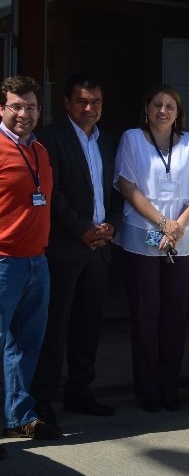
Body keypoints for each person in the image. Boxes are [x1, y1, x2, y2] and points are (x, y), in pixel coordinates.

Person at [30, 75, 122, 424]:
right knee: (54, 326)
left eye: (95, 102)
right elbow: (51, 194)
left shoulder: (108, 141)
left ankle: (79, 391)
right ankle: (42, 399)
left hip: (100, 248)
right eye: (82, 101)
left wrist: (112, 225)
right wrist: (82, 228)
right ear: (67, 103)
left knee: (89, 324)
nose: (89, 108)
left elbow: (116, 190)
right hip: (65, 247)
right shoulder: (50, 139)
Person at [114, 84, 189, 412]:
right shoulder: (132, 139)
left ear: (178, 112)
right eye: (157, 104)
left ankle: (170, 388)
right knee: (145, 315)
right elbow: (127, 185)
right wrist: (162, 224)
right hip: (143, 235)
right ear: (146, 108)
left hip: (181, 240)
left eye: (170, 106)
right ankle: (147, 390)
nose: (163, 111)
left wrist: (177, 226)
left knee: (173, 316)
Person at [0, 75, 62, 440]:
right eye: (17, 106)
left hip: (37, 262)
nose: (24, 113)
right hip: (4, 261)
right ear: (2, 108)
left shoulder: (39, 151)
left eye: (31, 107)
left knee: (26, 345)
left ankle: (19, 415)